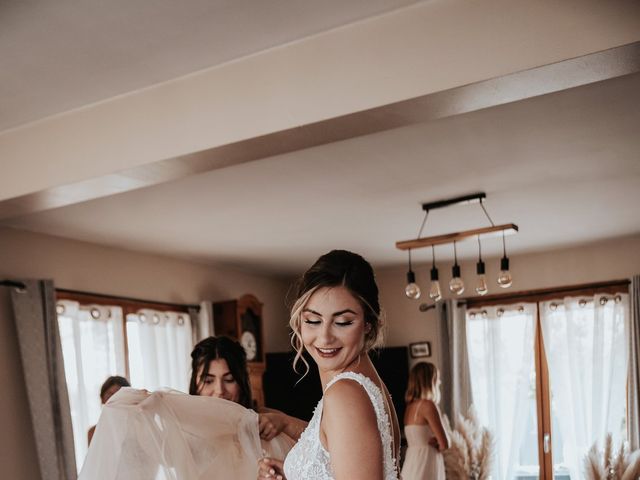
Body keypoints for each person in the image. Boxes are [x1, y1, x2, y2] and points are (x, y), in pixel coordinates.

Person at [258, 249, 400, 480]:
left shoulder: (345, 394)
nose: (324, 338)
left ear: (369, 324)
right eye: (313, 320)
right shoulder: (366, 386)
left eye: (343, 322)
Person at [190, 335, 307, 441]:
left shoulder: (264, 419)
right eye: (208, 381)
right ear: (195, 383)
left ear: (242, 381)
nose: (219, 390)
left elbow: (322, 440)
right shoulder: (184, 427)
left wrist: (285, 422)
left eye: (229, 379)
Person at [400, 362, 449, 480]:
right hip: (427, 461)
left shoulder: (410, 407)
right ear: (430, 381)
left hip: (411, 462)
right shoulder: (428, 405)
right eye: (437, 378)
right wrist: (438, 443)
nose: (440, 382)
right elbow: (445, 444)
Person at [87, 375, 130, 445]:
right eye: (110, 394)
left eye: (118, 395)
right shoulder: (93, 432)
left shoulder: (134, 429)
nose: (113, 399)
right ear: (102, 399)